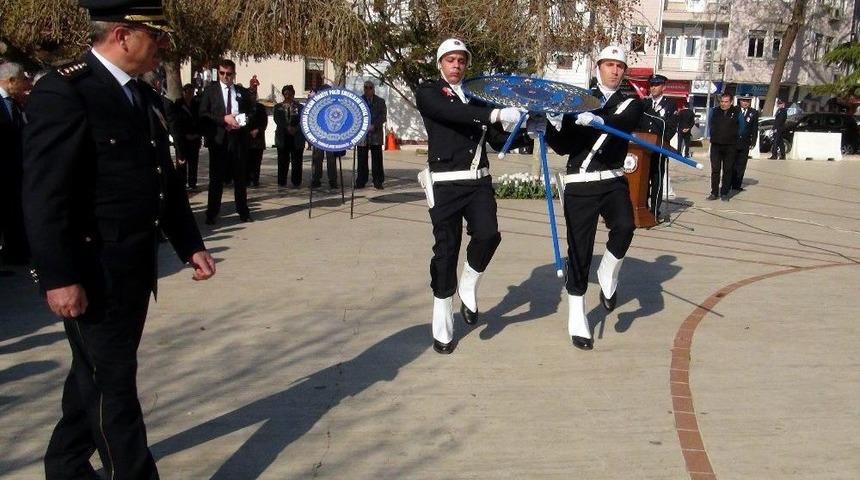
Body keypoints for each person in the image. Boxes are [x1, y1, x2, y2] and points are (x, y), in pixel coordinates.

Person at [21, 2, 216, 478]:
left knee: (94, 374)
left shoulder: (141, 97)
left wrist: (189, 243)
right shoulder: (66, 91)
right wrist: (59, 277)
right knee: (114, 387)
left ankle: (66, 465)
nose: (163, 47)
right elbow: (45, 195)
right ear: (123, 35)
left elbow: (160, 182)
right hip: (91, 270)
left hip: (133, 267)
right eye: (157, 36)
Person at [415, 38, 523, 354]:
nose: (456, 65)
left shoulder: (478, 97)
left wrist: (528, 128)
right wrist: (494, 114)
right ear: (440, 64)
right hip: (446, 182)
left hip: (477, 181)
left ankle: (470, 282)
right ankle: (442, 322)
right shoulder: (429, 92)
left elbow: (499, 137)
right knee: (446, 250)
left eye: (461, 60)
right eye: (450, 60)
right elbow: (451, 114)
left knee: (489, 235)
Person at [541, 45, 643, 350]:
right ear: (598, 67)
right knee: (580, 249)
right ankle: (577, 315)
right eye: (608, 64)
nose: (614, 70)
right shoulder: (576, 100)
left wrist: (598, 119)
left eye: (619, 66)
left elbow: (624, 124)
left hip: (612, 180)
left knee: (625, 227)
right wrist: (548, 123)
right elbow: (563, 146)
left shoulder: (630, 103)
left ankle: (608, 271)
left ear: (624, 71)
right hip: (581, 183)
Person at [198, 58, 256, 224]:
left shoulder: (241, 92)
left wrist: (241, 122)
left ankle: (243, 211)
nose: (225, 77)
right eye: (222, 73)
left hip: (238, 139)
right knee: (216, 179)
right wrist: (223, 119)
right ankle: (212, 213)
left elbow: (252, 112)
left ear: (234, 74)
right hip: (219, 140)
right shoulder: (211, 91)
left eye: (229, 74)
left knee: (240, 177)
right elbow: (203, 114)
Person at [0, 62, 32, 266]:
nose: (25, 86)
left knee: (12, 212)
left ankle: (14, 254)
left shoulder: (15, 104)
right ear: (11, 80)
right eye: (22, 81)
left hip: (14, 173)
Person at [639, 74, 677, 222]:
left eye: (656, 85)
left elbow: (672, 126)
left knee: (657, 179)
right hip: (643, 148)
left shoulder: (670, 104)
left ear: (663, 87)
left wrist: (662, 141)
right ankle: (642, 207)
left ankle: (654, 210)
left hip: (659, 148)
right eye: (651, 85)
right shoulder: (645, 104)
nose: (653, 88)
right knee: (643, 178)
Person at [707, 93, 740, 201]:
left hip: (730, 145)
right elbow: (710, 124)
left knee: (728, 170)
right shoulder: (715, 111)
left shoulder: (736, 112)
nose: (723, 104)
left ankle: (725, 193)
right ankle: (714, 192)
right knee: (715, 169)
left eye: (726, 102)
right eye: (722, 101)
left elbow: (742, 127)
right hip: (716, 145)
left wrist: (735, 137)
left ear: (731, 102)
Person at [170, 83, 202, 189]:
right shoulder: (178, 105)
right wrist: (184, 135)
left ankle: (192, 182)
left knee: (193, 163)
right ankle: (181, 183)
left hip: (195, 138)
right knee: (182, 162)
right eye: (188, 92)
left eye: (192, 92)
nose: (190, 95)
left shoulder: (196, 104)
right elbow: (176, 123)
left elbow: (199, 120)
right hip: (183, 139)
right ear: (184, 92)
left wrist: (197, 134)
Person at [356, 80, 388, 189]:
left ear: (373, 89)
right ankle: (361, 180)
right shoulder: (359, 101)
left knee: (377, 160)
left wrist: (374, 125)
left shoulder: (380, 101)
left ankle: (378, 181)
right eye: (365, 88)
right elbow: (356, 116)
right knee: (362, 160)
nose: (367, 90)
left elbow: (383, 116)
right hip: (363, 136)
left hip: (376, 134)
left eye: (370, 88)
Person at [273, 85, 305, 187]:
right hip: (283, 137)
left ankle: (296, 182)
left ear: (293, 94)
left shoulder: (300, 107)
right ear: (283, 94)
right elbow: (277, 119)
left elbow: (303, 120)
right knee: (282, 161)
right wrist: (287, 127)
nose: (288, 96)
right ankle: (282, 181)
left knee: (297, 161)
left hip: (296, 138)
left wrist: (296, 129)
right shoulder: (278, 107)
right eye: (286, 94)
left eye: (290, 94)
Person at [731, 96, 759, 191]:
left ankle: (737, 185)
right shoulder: (734, 110)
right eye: (744, 101)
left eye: (748, 101)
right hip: (733, 142)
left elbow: (755, 128)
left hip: (745, 142)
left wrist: (753, 141)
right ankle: (729, 182)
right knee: (731, 163)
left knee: (741, 164)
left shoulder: (753, 112)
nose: (745, 103)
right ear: (740, 101)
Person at [247, 95, 269, 187]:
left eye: (253, 95)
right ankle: (247, 179)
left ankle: (255, 180)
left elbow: (264, 121)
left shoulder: (260, 107)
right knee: (246, 161)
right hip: (246, 137)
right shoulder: (243, 106)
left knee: (256, 161)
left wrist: (258, 130)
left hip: (258, 139)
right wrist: (248, 131)